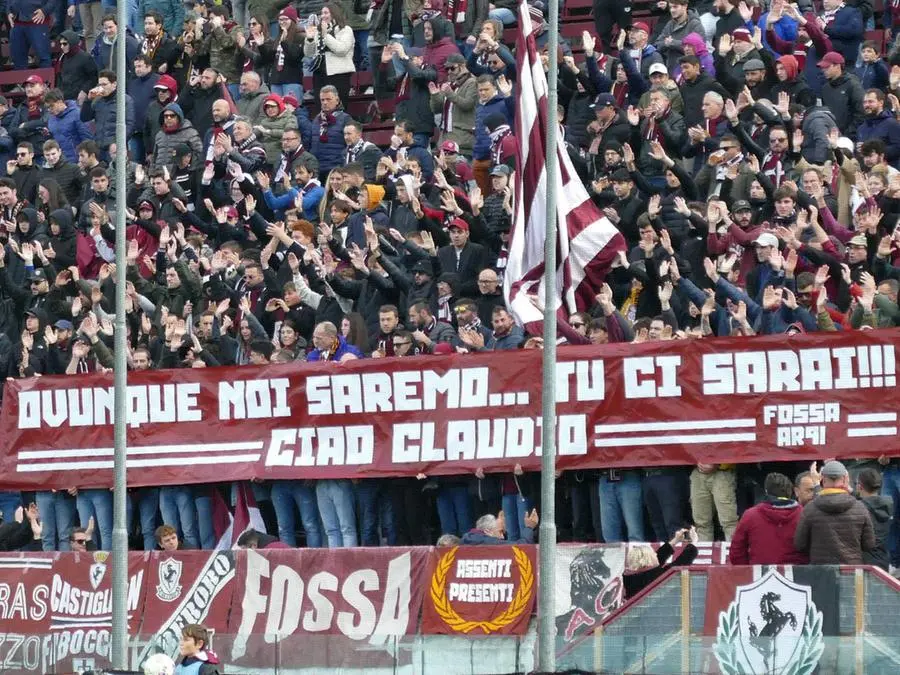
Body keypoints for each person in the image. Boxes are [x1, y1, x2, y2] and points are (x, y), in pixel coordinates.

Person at [794, 460, 876, 564]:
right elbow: (869, 545)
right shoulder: (860, 508)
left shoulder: (810, 509)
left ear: (823, 480)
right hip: (851, 571)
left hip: (821, 571)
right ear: (845, 480)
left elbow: (800, 545)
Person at [729, 473, 808, 565]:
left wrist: (749, 572)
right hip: (798, 575)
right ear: (791, 491)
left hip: (760, 575)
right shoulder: (805, 514)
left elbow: (736, 552)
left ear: (766, 491)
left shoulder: (750, 515)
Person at [623, 526, 698, 600]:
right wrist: (694, 542)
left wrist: (675, 540)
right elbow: (681, 562)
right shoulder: (656, 576)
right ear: (648, 559)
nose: (655, 554)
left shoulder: (630, 577)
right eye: (653, 554)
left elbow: (658, 559)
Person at [856, 468, 891, 571]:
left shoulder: (858, 508)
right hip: (883, 561)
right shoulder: (889, 503)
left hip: (865, 563)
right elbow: (870, 503)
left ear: (860, 486)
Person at [462, 510, 539, 544]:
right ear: (487, 531)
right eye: (500, 531)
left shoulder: (465, 540)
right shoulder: (489, 542)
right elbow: (522, 547)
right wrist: (529, 527)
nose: (502, 537)